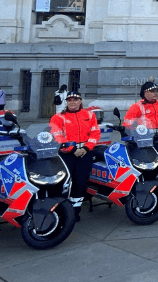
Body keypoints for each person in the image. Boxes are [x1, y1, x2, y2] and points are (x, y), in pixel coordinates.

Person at [49, 89, 101, 219]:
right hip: (67, 155)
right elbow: (56, 137)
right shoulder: (58, 117)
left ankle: (75, 212)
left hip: (85, 153)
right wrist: (72, 149)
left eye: (75, 99)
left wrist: (86, 149)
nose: (72, 102)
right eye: (70, 100)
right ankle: (61, 210)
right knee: (64, 183)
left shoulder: (89, 115)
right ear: (66, 102)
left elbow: (95, 134)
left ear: (80, 101)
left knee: (80, 182)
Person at [127, 84, 158, 155]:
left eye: (156, 91)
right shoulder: (137, 106)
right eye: (152, 91)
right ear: (145, 93)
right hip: (144, 139)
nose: (156, 93)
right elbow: (128, 124)